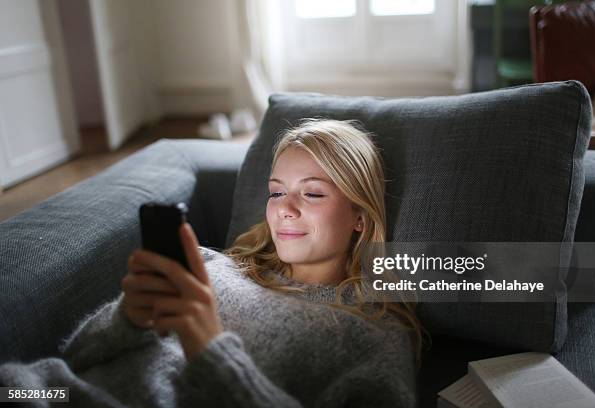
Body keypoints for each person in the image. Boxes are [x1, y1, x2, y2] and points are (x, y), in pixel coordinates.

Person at [0, 119, 422, 407]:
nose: (285, 209)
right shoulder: (208, 264)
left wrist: (211, 350)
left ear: (360, 218)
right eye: (276, 192)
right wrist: (127, 320)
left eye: (312, 193)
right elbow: (76, 360)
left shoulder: (372, 336)